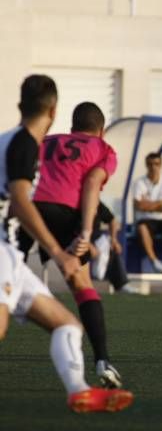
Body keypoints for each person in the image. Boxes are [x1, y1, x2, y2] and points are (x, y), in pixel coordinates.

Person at [0, 74, 133, 412]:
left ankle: (79, 390)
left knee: (67, 326)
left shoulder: (36, 142)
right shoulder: (25, 142)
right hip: (31, 232)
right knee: (79, 283)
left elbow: (30, 191)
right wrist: (78, 239)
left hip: (18, 241)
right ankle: (103, 361)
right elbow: (22, 198)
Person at [17, 101, 126, 387]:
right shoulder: (103, 149)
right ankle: (103, 361)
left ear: (72, 127)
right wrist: (87, 232)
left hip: (25, 208)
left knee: (6, 277)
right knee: (81, 284)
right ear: (101, 131)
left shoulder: (46, 140)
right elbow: (91, 183)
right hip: (64, 211)